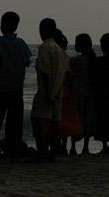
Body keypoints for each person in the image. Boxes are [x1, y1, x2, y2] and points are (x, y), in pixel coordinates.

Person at [0, 11, 32, 159]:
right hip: (16, 89)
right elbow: (26, 63)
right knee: (14, 125)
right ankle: (13, 152)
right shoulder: (21, 44)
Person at [30, 18, 68, 162]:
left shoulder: (44, 47)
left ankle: (42, 150)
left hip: (46, 90)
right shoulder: (59, 49)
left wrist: (46, 93)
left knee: (36, 119)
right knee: (54, 122)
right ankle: (53, 152)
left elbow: (45, 72)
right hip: (58, 90)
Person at [55, 30, 82, 155]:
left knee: (60, 119)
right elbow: (69, 74)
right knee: (68, 120)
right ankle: (69, 146)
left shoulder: (56, 56)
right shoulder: (65, 57)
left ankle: (60, 145)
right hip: (66, 91)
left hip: (60, 90)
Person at [69, 33, 97, 155]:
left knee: (75, 120)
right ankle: (86, 146)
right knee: (87, 120)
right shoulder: (92, 60)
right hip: (89, 95)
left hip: (77, 94)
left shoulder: (77, 60)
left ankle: (73, 147)